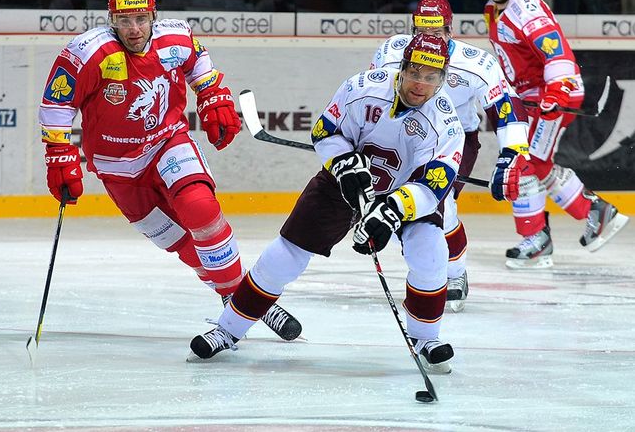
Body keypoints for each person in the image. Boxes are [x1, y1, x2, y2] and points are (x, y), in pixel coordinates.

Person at [38, 0, 301, 341]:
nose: (134, 29)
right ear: (111, 19)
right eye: (125, 20)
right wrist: (59, 156)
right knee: (183, 245)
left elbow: (200, 66)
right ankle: (242, 297)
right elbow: (56, 105)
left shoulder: (175, 38)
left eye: (141, 19)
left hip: (167, 141)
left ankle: (243, 303)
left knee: (200, 207)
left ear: (153, 16)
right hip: (117, 168)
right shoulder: (88, 51)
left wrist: (212, 96)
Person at [189, 34, 465, 373]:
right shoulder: (362, 89)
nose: (421, 84)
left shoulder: (446, 121)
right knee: (284, 256)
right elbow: (325, 132)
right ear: (402, 68)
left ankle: (426, 339)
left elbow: (433, 184)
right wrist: (344, 163)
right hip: (341, 184)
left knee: (431, 252)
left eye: (431, 77)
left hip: (407, 192)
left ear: (442, 78)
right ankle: (227, 330)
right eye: (415, 72)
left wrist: (390, 212)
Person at [370, 0, 529, 311]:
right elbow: (373, 97)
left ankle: (454, 273)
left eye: (437, 32)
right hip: (405, 136)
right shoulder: (391, 52)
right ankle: (427, 265)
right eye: (422, 33)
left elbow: (507, 108)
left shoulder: (476, 63)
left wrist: (512, 154)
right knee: (403, 211)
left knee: (442, 204)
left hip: (453, 140)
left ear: (450, 29)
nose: (429, 41)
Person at [480, 0, 629, 269]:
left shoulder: (524, 7)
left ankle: (537, 240)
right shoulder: (492, 9)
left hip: (552, 93)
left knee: (523, 161)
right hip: (533, 95)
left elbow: (555, 50)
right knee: (537, 162)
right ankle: (595, 212)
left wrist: (557, 91)